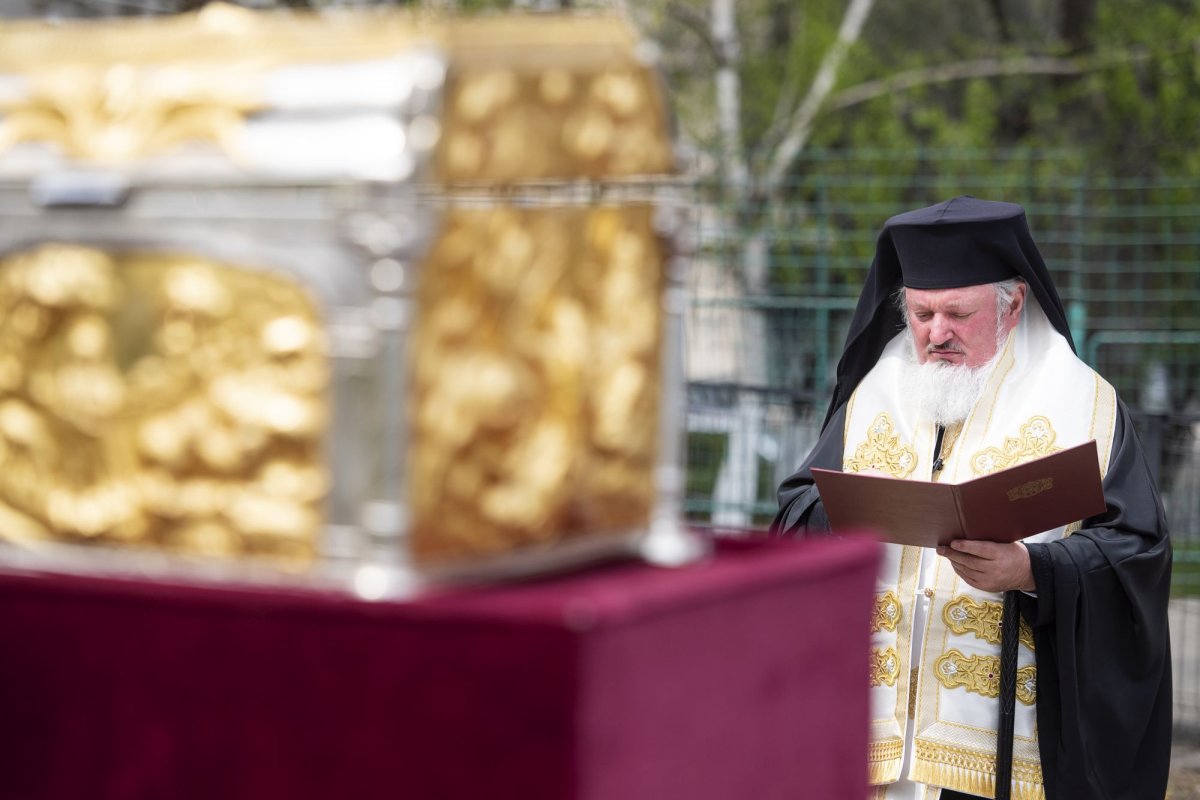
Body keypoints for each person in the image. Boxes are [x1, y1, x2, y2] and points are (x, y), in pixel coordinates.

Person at [772, 197, 1172, 800]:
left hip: (1004, 756)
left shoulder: (1081, 403)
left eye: (958, 313)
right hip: (870, 744)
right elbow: (796, 509)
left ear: (1011, 307)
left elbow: (1135, 551)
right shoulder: (877, 391)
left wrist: (1033, 569)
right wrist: (848, 511)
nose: (935, 334)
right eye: (921, 312)